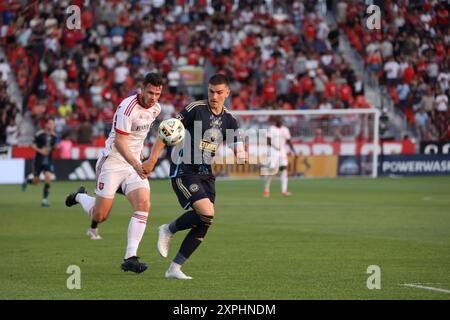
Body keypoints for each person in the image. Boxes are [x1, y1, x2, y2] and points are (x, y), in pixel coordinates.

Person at [141, 74, 247, 280]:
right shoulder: (195, 109)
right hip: (184, 169)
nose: (214, 96)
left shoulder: (230, 120)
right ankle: (168, 229)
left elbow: (238, 147)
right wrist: (153, 159)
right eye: (211, 91)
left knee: (205, 220)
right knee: (207, 211)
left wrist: (242, 154)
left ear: (227, 93)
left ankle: (175, 268)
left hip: (206, 173)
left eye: (218, 92)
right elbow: (167, 130)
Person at [65, 73, 163, 273]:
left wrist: (146, 157)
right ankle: (79, 196)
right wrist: (137, 163)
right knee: (100, 216)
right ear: (142, 89)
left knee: (144, 204)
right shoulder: (127, 107)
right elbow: (120, 141)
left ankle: (130, 257)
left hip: (133, 165)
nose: (153, 98)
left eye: (157, 94)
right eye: (150, 92)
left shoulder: (156, 109)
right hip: (112, 163)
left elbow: (142, 136)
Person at [22, 117, 58, 207]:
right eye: (49, 123)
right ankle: (27, 181)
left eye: (52, 124)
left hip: (48, 161)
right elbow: (32, 145)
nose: (51, 125)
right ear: (46, 124)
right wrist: (40, 150)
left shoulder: (54, 136)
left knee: (48, 178)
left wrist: (54, 148)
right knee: (36, 181)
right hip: (38, 161)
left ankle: (44, 200)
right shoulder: (39, 134)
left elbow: (53, 147)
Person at [263, 116, 296, 197]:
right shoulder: (272, 129)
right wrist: (274, 146)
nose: (280, 121)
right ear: (276, 121)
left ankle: (284, 191)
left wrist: (293, 151)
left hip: (282, 152)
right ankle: (266, 189)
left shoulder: (285, 130)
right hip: (273, 151)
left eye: (281, 120)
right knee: (271, 171)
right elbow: (268, 140)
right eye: (278, 120)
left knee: (284, 169)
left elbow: (289, 141)